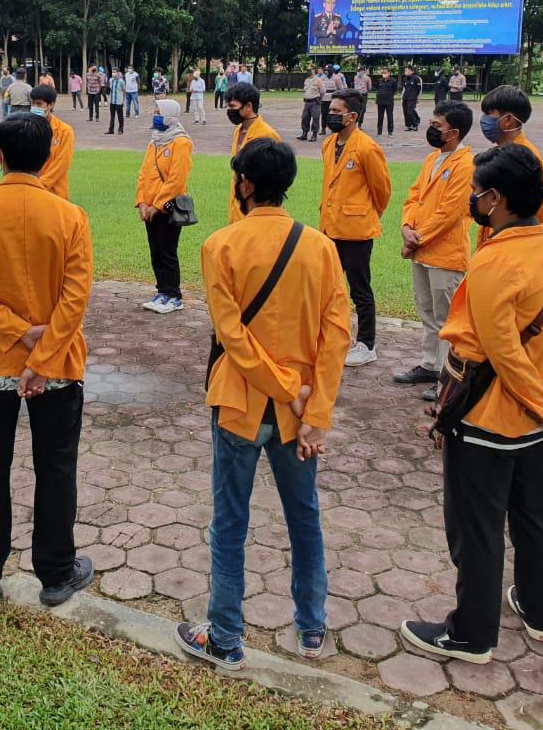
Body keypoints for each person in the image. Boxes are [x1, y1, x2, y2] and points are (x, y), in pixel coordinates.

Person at [400, 143, 543, 664]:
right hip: (542, 422)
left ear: (495, 199)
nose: (472, 199)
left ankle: (471, 634)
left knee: (478, 527)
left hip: (490, 417)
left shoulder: (495, 260)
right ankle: (539, 612)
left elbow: (500, 349)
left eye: (476, 193)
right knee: (537, 516)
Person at [176, 138, 350, 670]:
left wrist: (285, 391)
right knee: (305, 518)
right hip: (300, 415)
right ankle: (312, 629)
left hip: (241, 405)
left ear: (246, 184)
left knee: (230, 522)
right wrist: (313, 409)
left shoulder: (221, 246)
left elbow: (233, 338)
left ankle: (226, 638)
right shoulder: (320, 246)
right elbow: (338, 333)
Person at [0, 114, 95, 607]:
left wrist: (16, 335)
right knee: (55, 467)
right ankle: (55, 572)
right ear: (50, 157)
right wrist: (44, 353)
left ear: (1, 156)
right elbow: (75, 300)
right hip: (57, 368)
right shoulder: (70, 216)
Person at [398, 101, 475, 400]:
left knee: (447, 319)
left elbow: (450, 212)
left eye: (436, 126)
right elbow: (414, 196)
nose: (431, 129)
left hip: (445, 253)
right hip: (421, 250)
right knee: (427, 311)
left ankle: (447, 376)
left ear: (453, 133)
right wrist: (407, 226)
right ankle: (430, 364)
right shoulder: (432, 159)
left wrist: (416, 237)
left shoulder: (466, 165)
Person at [320, 90, 391, 367]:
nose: (331, 115)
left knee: (359, 288)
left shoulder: (367, 147)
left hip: (357, 230)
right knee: (329, 287)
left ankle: (367, 343)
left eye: (337, 111)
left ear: (352, 116)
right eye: (331, 109)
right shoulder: (328, 144)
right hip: (329, 226)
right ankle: (334, 335)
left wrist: (365, 213)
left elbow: (382, 190)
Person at [135, 99, 193, 314]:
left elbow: (176, 181)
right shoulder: (155, 141)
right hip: (149, 205)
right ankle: (162, 291)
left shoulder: (181, 142)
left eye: (159, 112)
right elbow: (143, 173)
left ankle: (173, 295)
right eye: (155, 111)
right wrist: (141, 202)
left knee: (167, 251)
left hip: (168, 205)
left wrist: (157, 206)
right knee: (155, 251)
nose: (156, 115)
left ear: (170, 114)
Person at [478, 85, 543, 236]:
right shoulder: (502, 154)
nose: (484, 120)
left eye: (489, 113)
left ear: (508, 119)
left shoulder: (526, 158)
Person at [225, 84, 281, 223]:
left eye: (232, 106)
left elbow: (272, 180)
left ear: (248, 106)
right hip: (237, 204)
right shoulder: (238, 131)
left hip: (258, 208)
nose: (229, 111)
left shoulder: (266, 135)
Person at [31, 85, 74, 199]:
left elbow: (62, 162)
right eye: (33, 103)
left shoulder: (64, 131)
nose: (34, 107)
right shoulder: (26, 128)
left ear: (51, 105)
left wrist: (41, 184)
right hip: (30, 189)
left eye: (39, 104)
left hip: (56, 191)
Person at [297, 69, 323, 141]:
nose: (308, 72)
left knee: (315, 118)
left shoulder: (318, 80)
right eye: (307, 70)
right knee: (305, 118)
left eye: (309, 71)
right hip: (307, 102)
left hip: (315, 101)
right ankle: (304, 133)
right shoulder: (307, 80)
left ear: (314, 72)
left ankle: (314, 135)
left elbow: (323, 91)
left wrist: (319, 98)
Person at [374, 67, 397, 136]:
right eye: (382, 73)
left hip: (389, 102)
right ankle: (379, 132)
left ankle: (390, 132)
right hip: (380, 101)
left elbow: (395, 90)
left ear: (389, 73)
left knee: (390, 117)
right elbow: (377, 88)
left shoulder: (393, 81)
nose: (383, 74)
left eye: (385, 73)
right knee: (380, 117)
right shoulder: (380, 80)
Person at [401, 66, 423, 131]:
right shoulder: (405, 79)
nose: (405, 72)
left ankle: (415, 125)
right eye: (405, 70)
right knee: (405, 112)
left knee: (410, 112)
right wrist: (402, 97)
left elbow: (419, 89)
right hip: (405, 98)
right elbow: (404, 89)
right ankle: (408, 125)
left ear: (412, 71)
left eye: (407, 70)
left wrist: (418, 98)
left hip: (412, 98)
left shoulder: (416, 78)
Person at [106, 68, 126, 134]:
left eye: (114, 72)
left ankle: (120, 130)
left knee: (120, 116)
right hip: (112, 101)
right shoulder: (111, 80)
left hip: (119, 101)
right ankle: (111, 130)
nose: (113, 73)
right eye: (113, 72)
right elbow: (110, 89)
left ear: (118, 73)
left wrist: (123, 101)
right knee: (112, 116)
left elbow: (124, 91)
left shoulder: (121, 81)